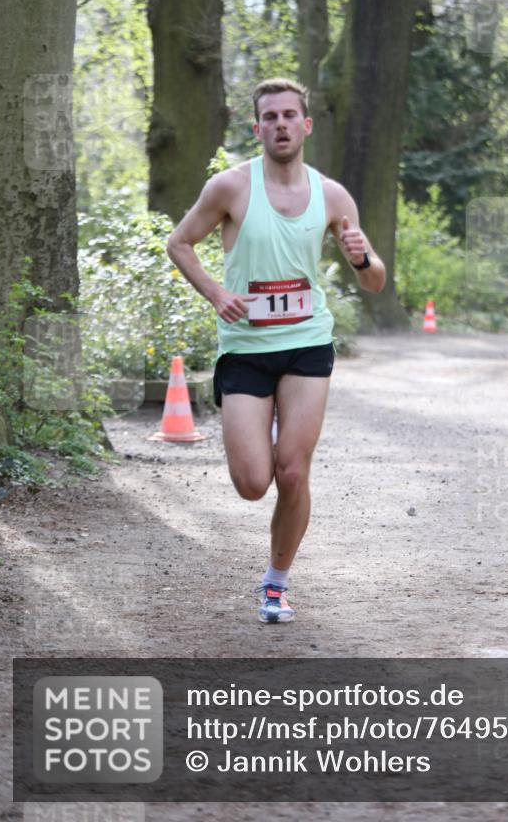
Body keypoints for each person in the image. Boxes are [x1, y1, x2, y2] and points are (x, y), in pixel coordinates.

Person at [167, 78, 385, 623]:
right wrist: (216, 293)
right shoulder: (231, 188)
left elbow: (376, 282)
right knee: (251, 483)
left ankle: (276, 583)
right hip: (245, 349)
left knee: (292, 471)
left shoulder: (333, 196)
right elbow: (180, 242)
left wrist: (361, 258)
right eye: (271, 117)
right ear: (258, 127)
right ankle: (257, 429)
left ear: (306, 126)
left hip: (307, 343)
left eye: (291, 115)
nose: (282, 124)